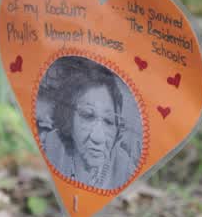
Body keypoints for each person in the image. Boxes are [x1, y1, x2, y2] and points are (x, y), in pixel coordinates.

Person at [37, 57, 136, 190]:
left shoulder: (126, 174)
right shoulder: (49, 150)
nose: (98, 138)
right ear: (68, 118)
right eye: (88, 116)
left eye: (108, 121)